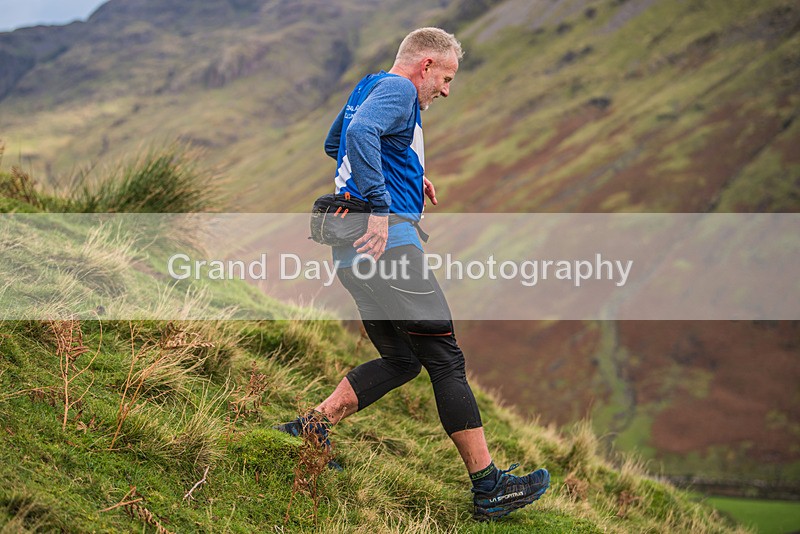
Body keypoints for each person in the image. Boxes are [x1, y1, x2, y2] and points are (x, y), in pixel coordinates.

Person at [275, 27, 549, 522]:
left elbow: (334, 141)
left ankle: (310, 429)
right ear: (425, 66)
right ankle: (489, 487)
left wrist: (403, 165)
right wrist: (381, 204)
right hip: (387, 245)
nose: (445, 90)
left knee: (401, 359)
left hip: (349, 250)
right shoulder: (401, 90)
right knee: (445, 358)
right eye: (445, 78)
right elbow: (356, 138)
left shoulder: (369, 85)